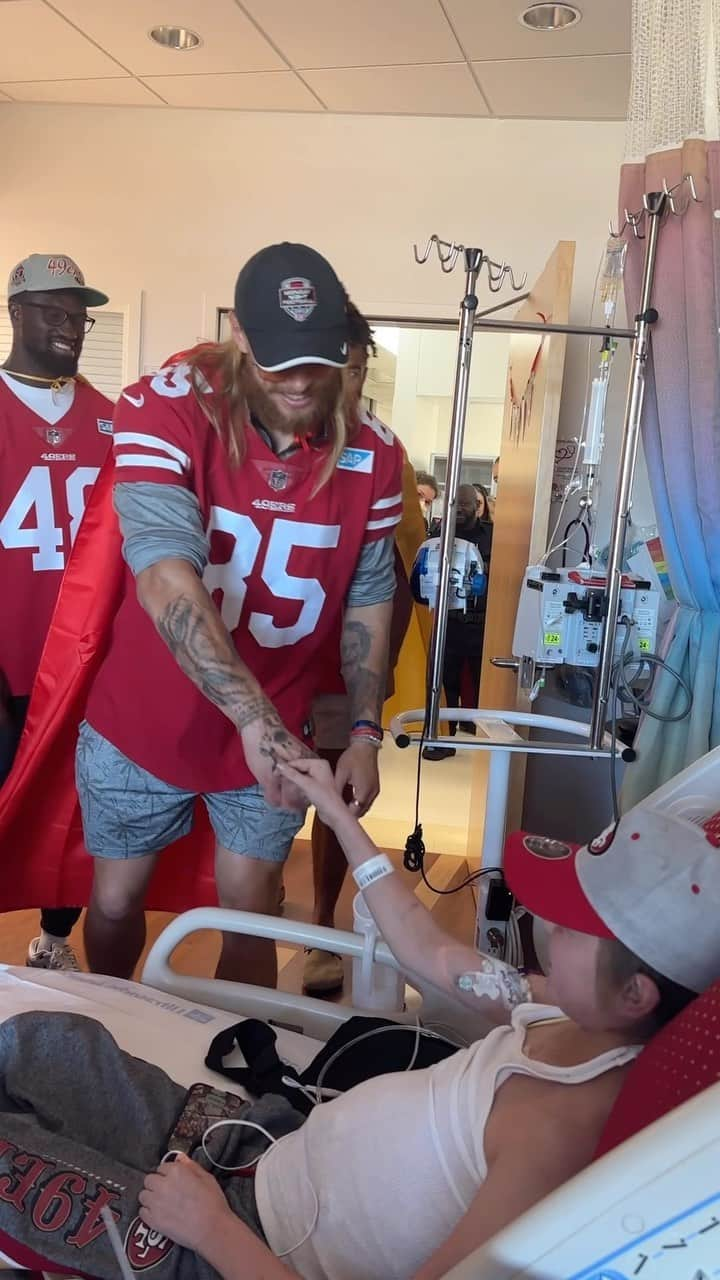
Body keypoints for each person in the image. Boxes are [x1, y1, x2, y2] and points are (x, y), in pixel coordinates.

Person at [134, 759, 716, 1280]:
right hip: (272, 1153)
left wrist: (213, 1230)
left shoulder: (555, 1132)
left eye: (569, 927)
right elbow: (429, 950)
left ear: (635, 995)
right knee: (59, 1043)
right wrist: (338, 816)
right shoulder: (560, 1008)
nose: (546, 926)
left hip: (250, 1241)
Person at [77, 243, 404, 988]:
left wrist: (362, 732)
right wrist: (250, 718)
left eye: (318, 360)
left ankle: (234, 1059)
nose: (299, 382)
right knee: (118, 896)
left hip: (280, 716)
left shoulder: (374, 451)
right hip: (149, 713)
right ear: (240, 340)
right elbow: (164, 573)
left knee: (249, 904)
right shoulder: (162, 405)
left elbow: (369, 595)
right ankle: (111, 1015)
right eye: (278, 361)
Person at [303, 303, 423, 996]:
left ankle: (320, 923)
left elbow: (400, 577)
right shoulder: (250, 442)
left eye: (359, 371)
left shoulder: (382, 455)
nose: (348, 387)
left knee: (335, 794)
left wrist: (367, 701)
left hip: (337, 662)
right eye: (336, 370)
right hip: (262, 657)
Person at [0, 253, 112, 970]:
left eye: (80, 314)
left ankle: (54, 938)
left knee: (74, 807)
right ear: (15, 312)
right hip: (6, 646)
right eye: (55, 310)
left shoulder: (110, 418)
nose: (71, 325)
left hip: (80, 652)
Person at [423, 482, 494, 761]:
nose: (460, 510)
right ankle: (441, 739)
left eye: (465, 504)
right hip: (448, 623)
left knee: (484, 685)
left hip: (482, 624)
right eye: (456, 504)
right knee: (443, 684)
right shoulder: (438, 535)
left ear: (477, 506)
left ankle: (486, 745)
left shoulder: (493, 536)